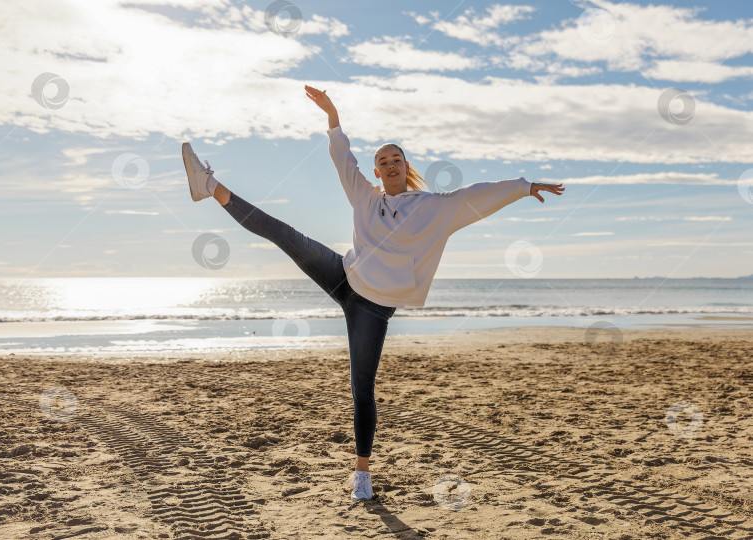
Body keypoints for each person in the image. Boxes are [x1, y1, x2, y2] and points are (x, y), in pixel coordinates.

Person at [181, 85, 565, 502]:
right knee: (282, 233)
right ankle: (209, 185)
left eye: (396, 159)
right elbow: (342, 159)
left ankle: (361, 475)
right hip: (342, 275)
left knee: (361, 388)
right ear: (378, 172)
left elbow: (477, 195)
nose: (390, 164)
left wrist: (524, 187)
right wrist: (333, 118)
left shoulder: (434, 208)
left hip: (373, 310)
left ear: (405, 166)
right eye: (383, 161)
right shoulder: (365, 196)